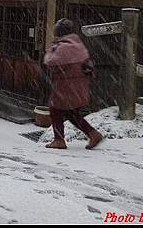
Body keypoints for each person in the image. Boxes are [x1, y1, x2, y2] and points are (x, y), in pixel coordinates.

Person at [43, 18, 104, 150]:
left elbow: (50, 61)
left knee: (56, 110)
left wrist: (51, 49)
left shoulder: (64, 47)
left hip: (66, 85)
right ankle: (93, 134)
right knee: (72, 113)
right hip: (79, 85)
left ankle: (59, 140)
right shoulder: (78, 45)